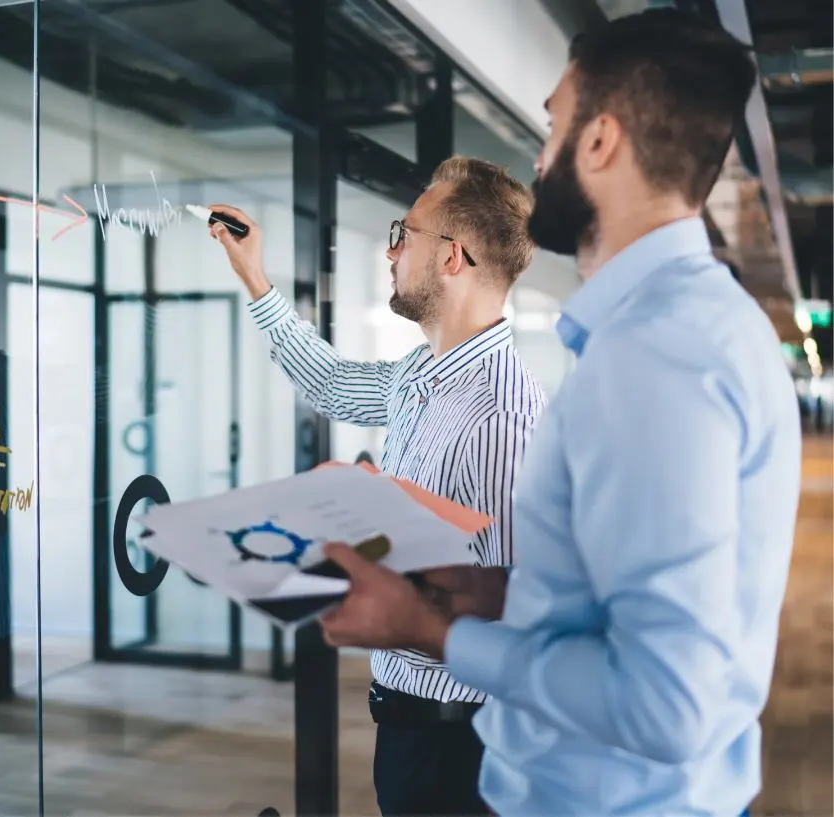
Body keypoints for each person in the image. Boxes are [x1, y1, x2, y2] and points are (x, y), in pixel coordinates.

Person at [316, 9, 802, 817]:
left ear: (601, 141)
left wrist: (434, 632)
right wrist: (499, 593)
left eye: (552, 127)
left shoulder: (658, 353)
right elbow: (633, 614)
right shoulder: (685, 326)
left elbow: (663, 703)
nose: (539, 160)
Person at [207, 156, 547, 816]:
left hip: (464, 742)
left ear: (453, 257)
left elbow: (504, 611)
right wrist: (255, 279)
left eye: (404, 232)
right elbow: (332, 382)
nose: (390, 250)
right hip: (411, 724)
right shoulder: (420, 373)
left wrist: (369, 588)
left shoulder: (501, 414)